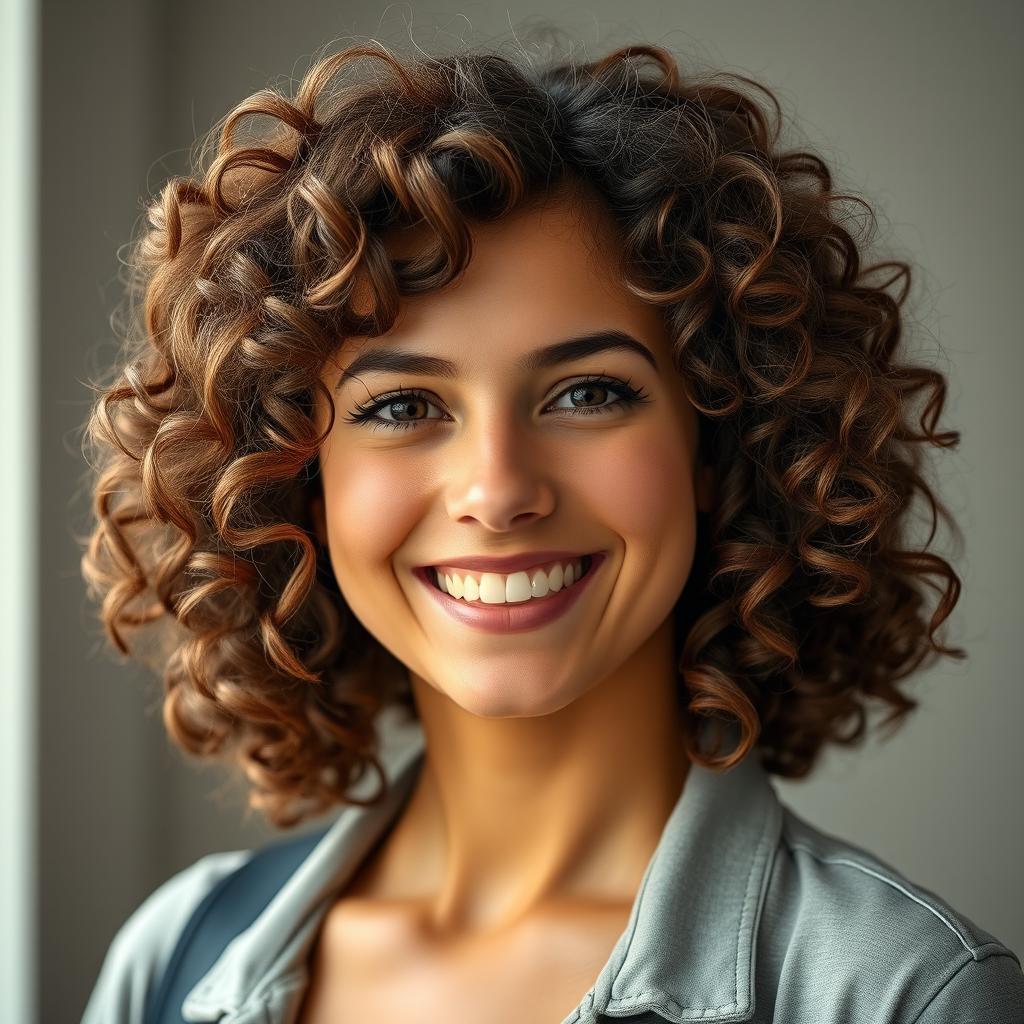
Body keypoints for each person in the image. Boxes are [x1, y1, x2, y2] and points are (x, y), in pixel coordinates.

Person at [78, 37, 1023, 1024]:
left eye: (587, 392)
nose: (497, 489)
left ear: (719, 445)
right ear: (298, 483)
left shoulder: (898, 991)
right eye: (402, 407)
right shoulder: (174, 961)